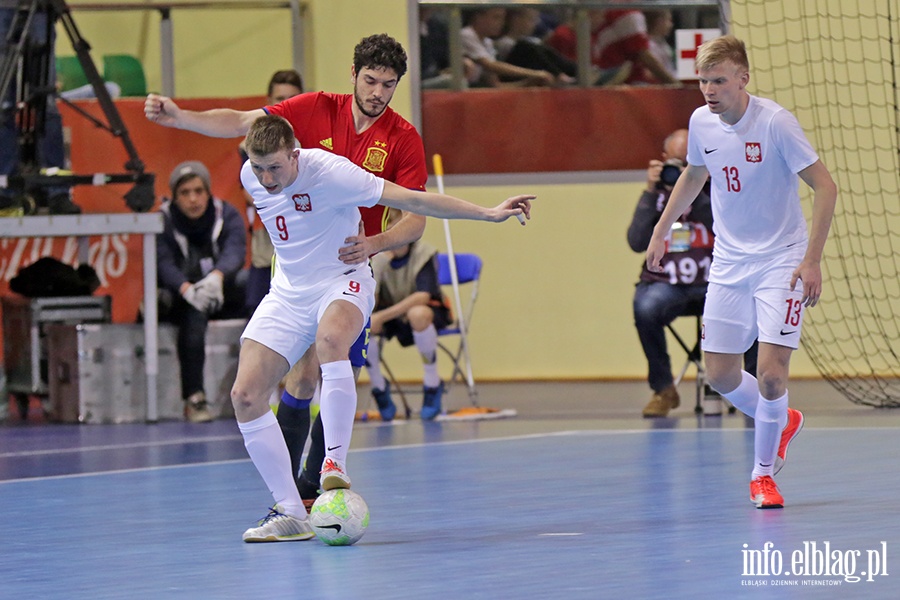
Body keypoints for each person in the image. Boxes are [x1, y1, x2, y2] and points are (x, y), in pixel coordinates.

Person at [144, 34, 431, 514]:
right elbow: (241, 123)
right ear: (353, 75)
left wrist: (376, 242)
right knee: (297, 377)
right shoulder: (314, 108)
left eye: (389, 84)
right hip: (296, 266)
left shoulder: (402, 138)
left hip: (351, 264)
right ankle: (299, 489)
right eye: (370, 80)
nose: (378, 92)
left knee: (334, 360)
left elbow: (416, 215)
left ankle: (319, 474)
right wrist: (181, 118)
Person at [233, 114, 532, 541]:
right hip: (288, 291)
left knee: (331, 341)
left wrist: (488, 213)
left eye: (275, 168)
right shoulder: (252, 174)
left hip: (343, 278)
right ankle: (290, 512)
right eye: (258, 167)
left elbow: (413, 201)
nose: (265, 178)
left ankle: (333, 465)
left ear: (295, 155)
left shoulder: (333, 173)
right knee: (244, 396)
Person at [645, 35, 837, 509]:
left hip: (782, 259)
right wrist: (662, 230)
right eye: (703, 82)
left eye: (719, 81)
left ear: (742, 79)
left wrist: (811, 260)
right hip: (730, 261)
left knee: (771, 375)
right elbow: (693, 174)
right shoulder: (699, 122)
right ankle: (782, 420)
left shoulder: (774, 123)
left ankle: (762, 475)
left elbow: (826, 187)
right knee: (720, 373)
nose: (709, 91)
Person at [628, 129, 757, 418]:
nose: (682, 171)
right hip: (669, 285)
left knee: (755, 304)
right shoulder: (658, 196)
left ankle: (751, 391)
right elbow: (636, 241)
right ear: (663, 161)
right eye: (677, 164)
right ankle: (663, 389)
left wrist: (695, 187)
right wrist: (650, 192)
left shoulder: (723, 190)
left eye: (690, 163)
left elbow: (724, 227)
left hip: (718, 284)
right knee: (645, 307)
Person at [157, 161, 248, 422]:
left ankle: (260, 386)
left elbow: (236, 251)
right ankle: (195, 398)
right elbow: (163, 262)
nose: (193, 199)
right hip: (184, 295)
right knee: (193, 315)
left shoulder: (225, 213)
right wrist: (186, 289)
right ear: (175, 196)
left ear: (208, 192)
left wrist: (217, 277)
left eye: (198, 191)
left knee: (256, 287)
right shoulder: (163, 219)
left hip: (220, 287)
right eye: (185, 193)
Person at [0, 4, 79, 215]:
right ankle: (4, 188)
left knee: (48, 106)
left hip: (40, 9)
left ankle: (57, 190)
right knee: (2, 105)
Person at [366, 233, 452, 421]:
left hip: (425, 312)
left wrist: (383, 316)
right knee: (364, 324)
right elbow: (370, 303)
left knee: (417, 314)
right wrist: (378, 268)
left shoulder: (423, 253)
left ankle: (432, 383)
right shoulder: (377, 259)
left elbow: (423, 296)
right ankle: (378, 386)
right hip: (390, 314)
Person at [241, 69, 304, 313]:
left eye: (292, 98)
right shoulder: (248, 146)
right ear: (269, 102)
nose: (286, 105)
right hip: (267, 245)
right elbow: (249, 192)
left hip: (305, 243)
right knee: (259, 315)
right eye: (280, 99)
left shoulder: (310, 146)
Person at [460, 8, 559, 88]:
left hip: (477, 90)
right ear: (478, 17)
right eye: (496, 17)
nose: (502, 23)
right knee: (525, 47)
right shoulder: (466, 34)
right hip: (464, 89)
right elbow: (490, 65)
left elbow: (496, 86)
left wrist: (528, 83)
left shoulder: (487, 42)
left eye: (503, 18)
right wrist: (534, 73)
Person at [594, 9, 679, 85]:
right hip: (622, 81)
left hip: (623, 78)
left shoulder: (624, 9)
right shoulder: (626, 10)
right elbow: (644, 56)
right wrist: (676, 85)